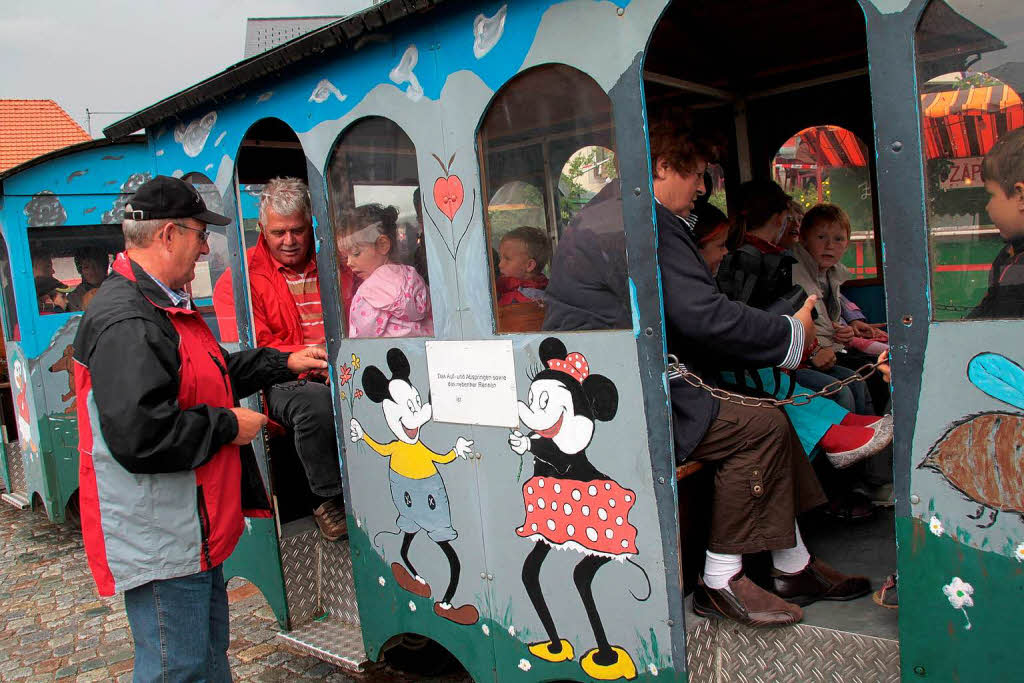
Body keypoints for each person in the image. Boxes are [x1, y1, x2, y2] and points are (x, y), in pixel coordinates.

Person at [73, 175, 329, 681]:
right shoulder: (130, 319)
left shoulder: (158, 303)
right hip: (163, 535)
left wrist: (284, 362)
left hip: (190, 528)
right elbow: (140, 433)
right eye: (198, 234)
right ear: (168, 234)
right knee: (179, 668)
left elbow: (209, 374)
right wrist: (227, 423)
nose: (204, 248)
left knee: (208, 662)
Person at [649, 114, 869, 628]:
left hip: (682, 372)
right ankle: (722, 577)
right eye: (698, 174)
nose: (704, 187)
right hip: (656, 387)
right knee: (762, 423)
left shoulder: (653, 224)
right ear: (663, 166)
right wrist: (792, 336)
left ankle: (793, 564)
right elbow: (701, 319)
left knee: (769, 413)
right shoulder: (658, 226)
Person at [212, 177, 348, 541]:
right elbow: (253, 351)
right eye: (279, 232)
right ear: (262, 229)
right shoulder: (238, 281)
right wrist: (305, 360)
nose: (289, 241)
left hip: (339, 365)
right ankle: (327, 498)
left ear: (311, 223)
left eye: (297, 231)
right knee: (314, 404)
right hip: (280, 378)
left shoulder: (335, 264)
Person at [791, 204, 875, 415]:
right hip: (805, 357)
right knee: (847, 389)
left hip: (830, 349)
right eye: (821, 237)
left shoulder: (830, 274)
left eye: (838, 239)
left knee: (868, 376)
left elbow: (826, 321)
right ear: (803, 238)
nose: (830, 245)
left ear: (847, 244)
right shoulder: (794, 270)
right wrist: (818, 350)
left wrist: (844, 330)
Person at [343, 203, 434, 338]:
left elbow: (360, 341)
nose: (349, 262)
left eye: (356, 253)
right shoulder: (412, 276)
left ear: (382, 244)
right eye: (345, 256)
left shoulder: (367, 293)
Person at [969, 126, 1024, 318]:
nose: (987, 207)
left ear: (1020, 196)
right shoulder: (1008, 255)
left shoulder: (1015, 262)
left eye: (991, 195)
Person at [495, 226, 550, 305]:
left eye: (507, 259)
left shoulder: (527, 298)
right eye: (501, 258)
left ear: (529, 265)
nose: (500, 265)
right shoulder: (505, 287)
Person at [68, 247, 109, 311]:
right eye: (86, 267)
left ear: (104, 266)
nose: (92, 271)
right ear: (81, 270)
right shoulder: (74, 297)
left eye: (97, 265)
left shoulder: (118, 288)